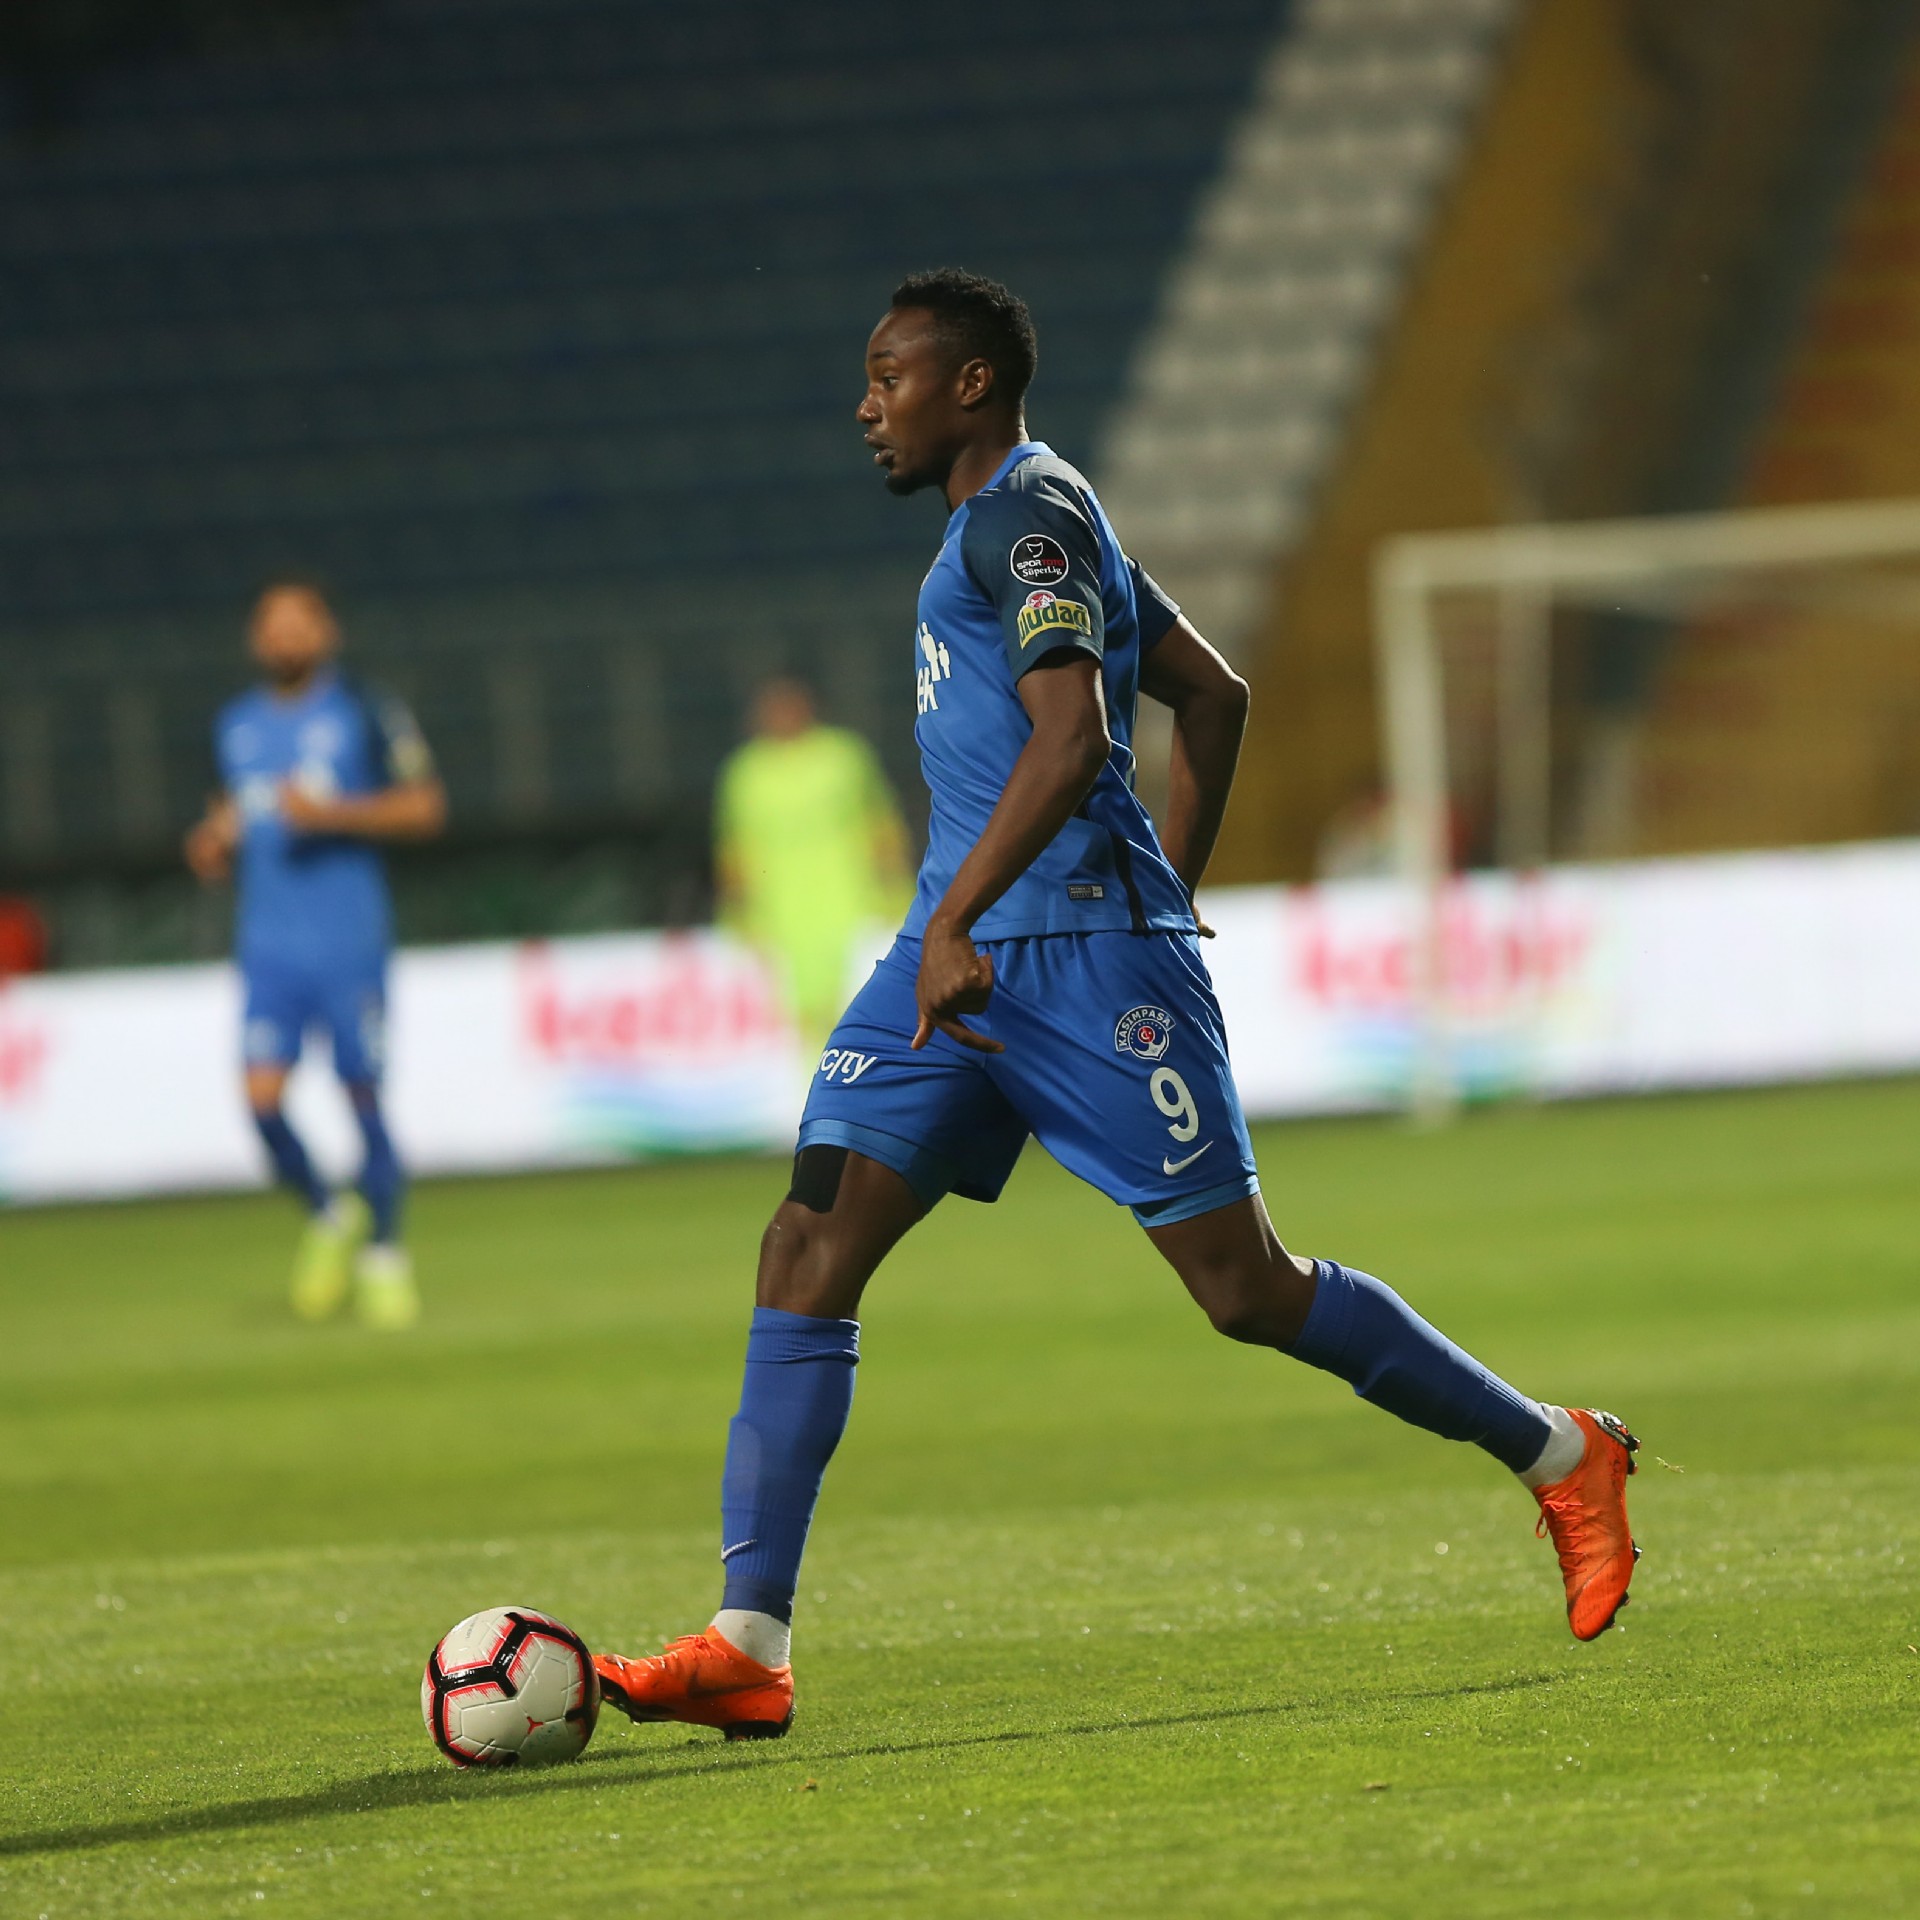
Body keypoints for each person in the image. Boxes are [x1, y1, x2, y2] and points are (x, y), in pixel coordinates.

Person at [592, 271, 1639, 1741]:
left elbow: (1077, 733)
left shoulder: (1025, 517)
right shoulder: (1026, 518)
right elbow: (1213, 695)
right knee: (806, 1242)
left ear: (970, 384)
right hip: (956, 962)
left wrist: (1068, 913)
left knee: (1243, 1289)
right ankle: (748, 1643)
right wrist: (1113, 892)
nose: (866, 406)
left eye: (888, 376)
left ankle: (1561, 1455)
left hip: (1070, 962)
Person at [185, 581, 446, 1328]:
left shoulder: (364, 708)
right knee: (262, 1104)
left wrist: (330, 814)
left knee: (362, 1096)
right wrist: (215, 843)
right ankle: (331, 1214)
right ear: (255, 638)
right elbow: (236, 814)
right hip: (268, 947)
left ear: (327, 632)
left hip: (348, 942)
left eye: (300, 623)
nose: (286, 637)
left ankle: (386, 1254)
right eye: (273, 625)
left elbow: (425, 806)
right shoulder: (236, 725)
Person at [714, 677, 912, 1055]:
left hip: (856, 905)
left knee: (867, 1012)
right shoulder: (745, 772)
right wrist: (737, 912)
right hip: (784, 917)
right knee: (803, 1021)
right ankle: (817, 1088)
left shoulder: (844, 756)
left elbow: (881, 827)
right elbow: (734, 849)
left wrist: (897, 890)